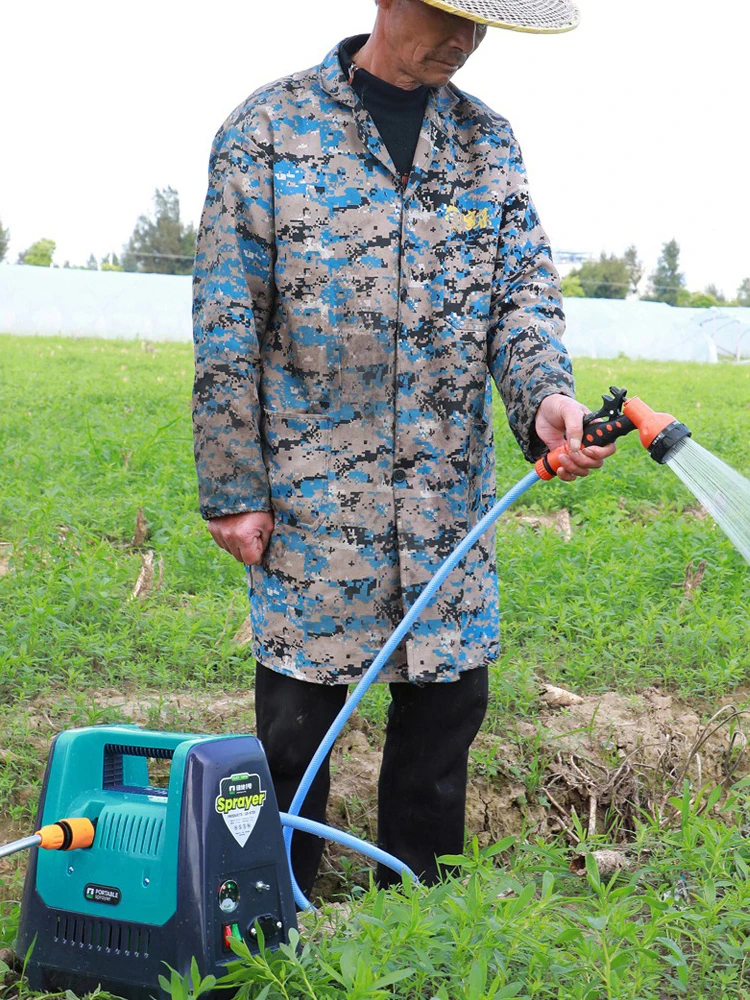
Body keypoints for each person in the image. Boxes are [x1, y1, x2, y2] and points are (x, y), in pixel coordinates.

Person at [192, 0, 613, 898]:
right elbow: (228, 323)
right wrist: (234, 485)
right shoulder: (269, 130)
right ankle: (267, 920)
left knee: (444, 717)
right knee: (295, 733)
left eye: (480, 25)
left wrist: (546, 396)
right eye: (445, 17)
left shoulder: (487, 143)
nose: (463, 41)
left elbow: (521, 296)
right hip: (316, 503)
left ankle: (419, 928)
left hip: (446, 505)